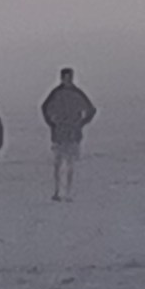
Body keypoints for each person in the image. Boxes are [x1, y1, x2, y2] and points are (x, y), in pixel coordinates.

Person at [41, 67, 96, 202]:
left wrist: (82, 123)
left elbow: (91, 109)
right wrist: (51, 123)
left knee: (70, 163)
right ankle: (57, 190)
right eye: (65, 77)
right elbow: (44, 108)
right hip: (59, 132)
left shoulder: (77, 93)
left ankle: (68, 191)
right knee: (58, 163)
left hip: (73, 132)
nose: (67, 80)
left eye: (69, 77)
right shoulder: (56, 93)